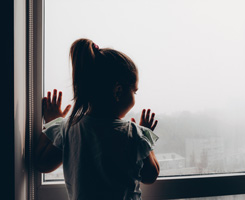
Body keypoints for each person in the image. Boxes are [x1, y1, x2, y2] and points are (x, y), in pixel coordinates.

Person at [35, 38, 160, 200]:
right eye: (134, 91)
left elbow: (42, 163)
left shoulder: (68, 128)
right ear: (118, 92)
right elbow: (150, 175)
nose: (135, 97)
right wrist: (146, 138)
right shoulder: (134, 134)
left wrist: (54, 122)